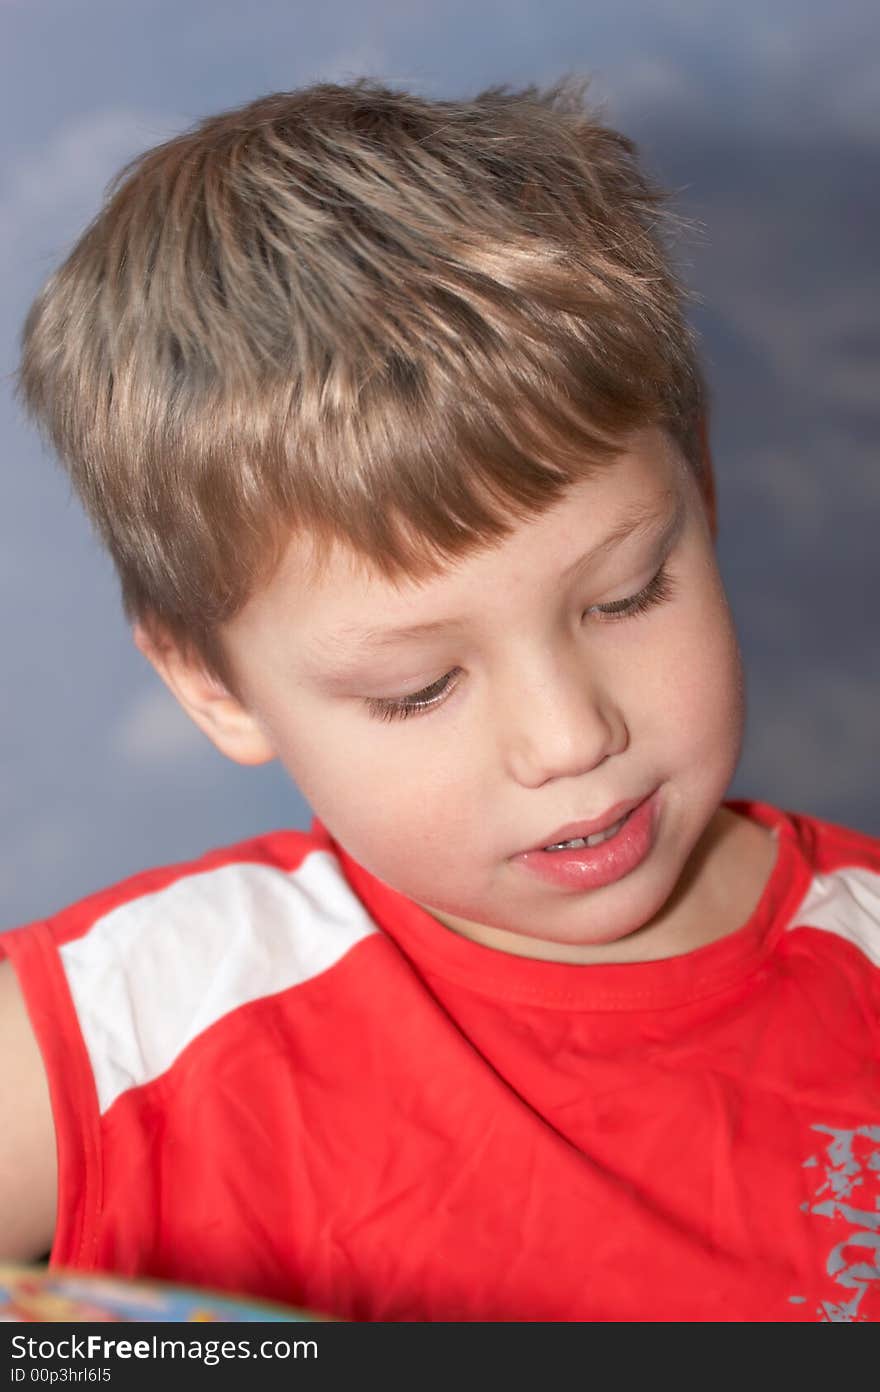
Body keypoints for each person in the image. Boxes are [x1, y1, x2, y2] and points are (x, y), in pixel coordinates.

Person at [2, 76, 878, 1324]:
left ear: (703, 498)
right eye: (418, 689)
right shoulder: (123, 1028)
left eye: (628, 595)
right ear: (214, 686)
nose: (572, 737)